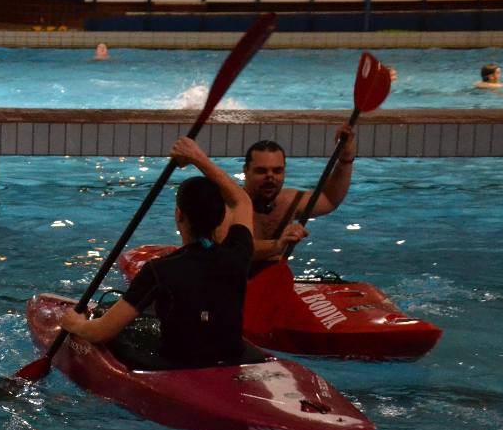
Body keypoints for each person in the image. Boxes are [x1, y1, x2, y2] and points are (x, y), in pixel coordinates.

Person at [60, 136, 254, 368]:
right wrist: (198, 158)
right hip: (232, 359)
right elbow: (242, 201)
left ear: (179, 215)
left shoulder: (159, 270)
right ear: (222, 217)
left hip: (179, 366)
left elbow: (101, 332)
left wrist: (75, 323)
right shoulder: (238, 254)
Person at [239, 125, 356, 263]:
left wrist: (345, 159)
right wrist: (277, 245)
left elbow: (329, 199)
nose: (270, 177)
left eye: (277, 171)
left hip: (274, 274)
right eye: (261, 171)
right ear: (246, 170)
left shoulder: (289, 202)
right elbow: (233, 249)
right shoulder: (230, 204)